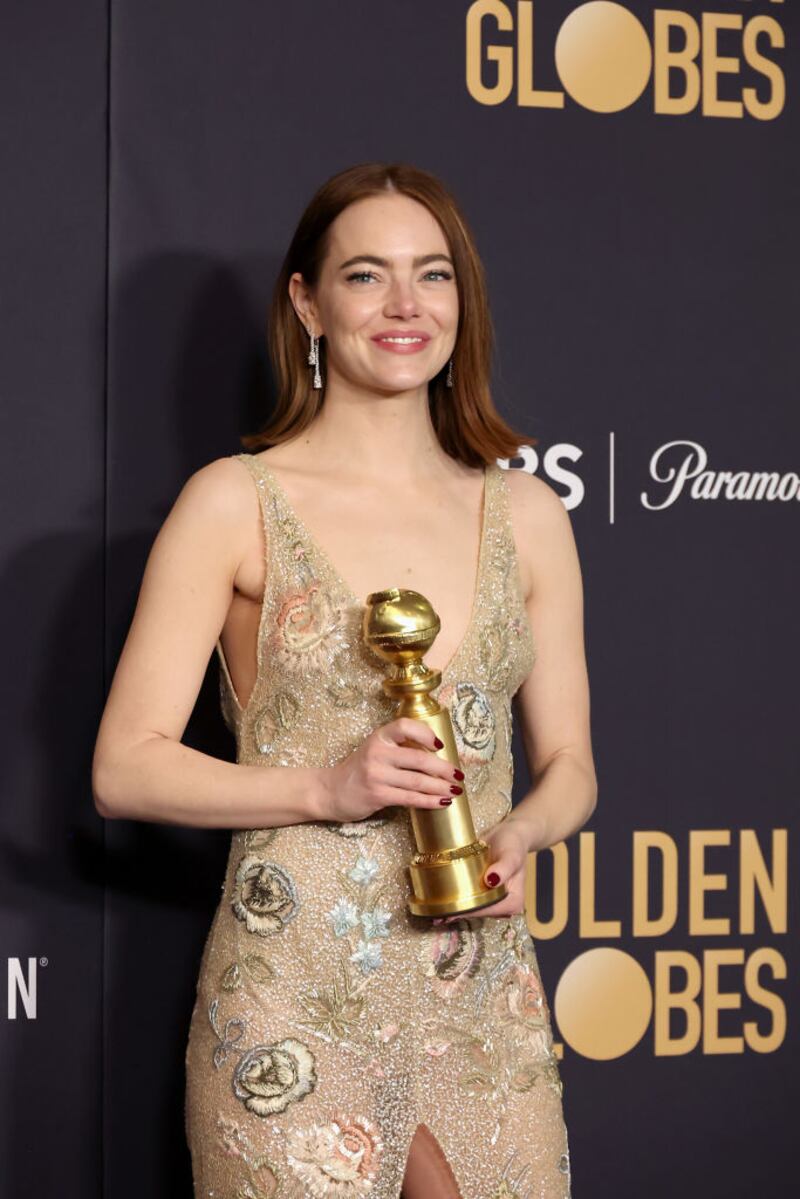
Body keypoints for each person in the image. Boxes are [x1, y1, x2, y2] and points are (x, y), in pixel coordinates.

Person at [92, 161, 597, 1199]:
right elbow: (123, 768)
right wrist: (326, 787)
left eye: (433, 274)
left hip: (480, 992)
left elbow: (571, 765)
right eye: (367, 275)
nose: (406, 304)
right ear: (307, 303)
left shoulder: (528, 513)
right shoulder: (233, 502)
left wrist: (520, 834)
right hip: (293, 993)